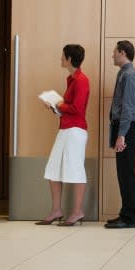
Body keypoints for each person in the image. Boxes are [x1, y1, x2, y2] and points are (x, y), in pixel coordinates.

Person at [37, 44, 90, 227]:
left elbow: (77, 108)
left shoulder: (82, 80)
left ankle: (77, 212)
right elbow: (68, 108)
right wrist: (55, 107)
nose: (60, 59)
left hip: (75, 131)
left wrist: (59, 104)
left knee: (75, 169)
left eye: (62, 57)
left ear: (69, 59)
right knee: (53, 169)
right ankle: (57, 210)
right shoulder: (72, 79)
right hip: (66, 128)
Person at [105, 40, 135, 229]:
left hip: (127, 129)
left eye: (114, 52)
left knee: (127, 174)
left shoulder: (129, 75)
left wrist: (121, 135)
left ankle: (129, 218)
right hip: (123, 128)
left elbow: (128, 108)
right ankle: (125, 213)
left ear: (122, 52)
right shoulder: (125, 73)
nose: (112, 55)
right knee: (123, 173)